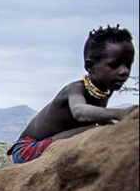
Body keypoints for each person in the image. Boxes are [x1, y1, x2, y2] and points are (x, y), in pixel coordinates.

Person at [9, 25, 136, 164]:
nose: (124, 71)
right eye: (114, 65)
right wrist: (120, 113)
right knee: (96, 131)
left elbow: (102, 119)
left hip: (58, 141)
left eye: (128, 65)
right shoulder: (76, 89)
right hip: (27, 150)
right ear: (90, 66)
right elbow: (79, 111)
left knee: (104, 130)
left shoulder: (105, 91)